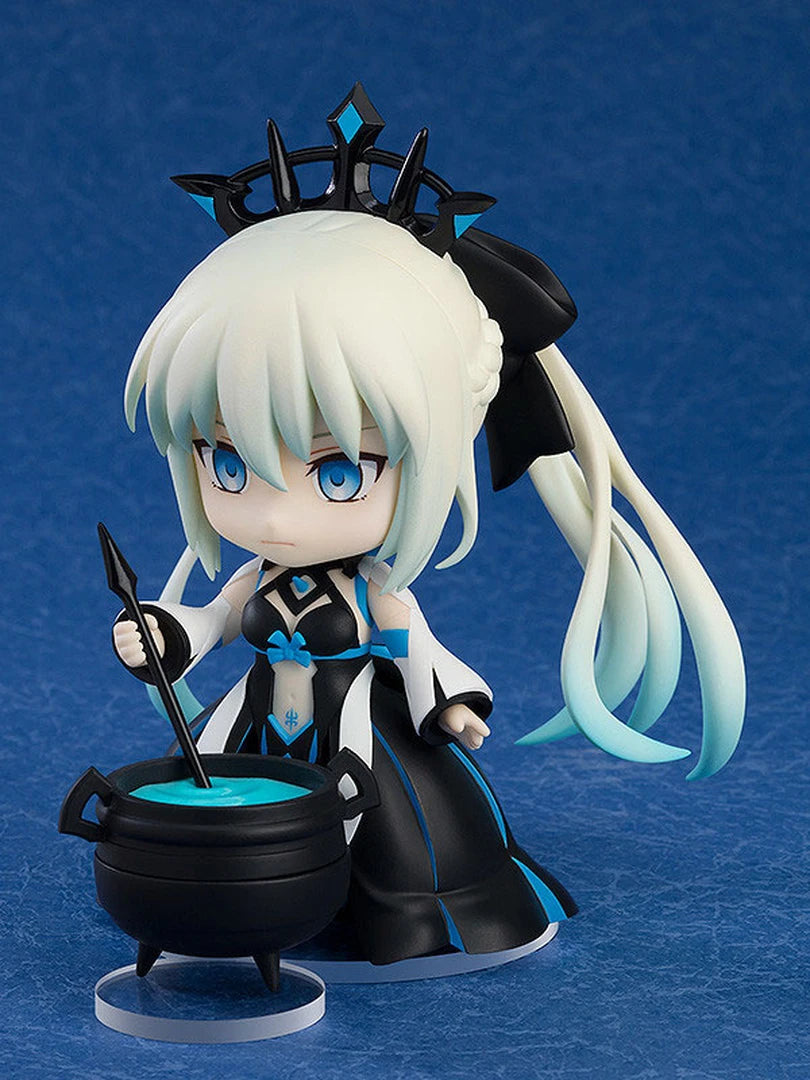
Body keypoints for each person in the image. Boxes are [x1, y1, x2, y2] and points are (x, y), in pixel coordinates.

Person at [112, 86, 744, 968]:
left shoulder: (377, 593)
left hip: (364, 738)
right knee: (236, 838)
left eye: (339, 472)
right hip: (257, 739)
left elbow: (415, 648)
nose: (275, 512)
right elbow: (214, 621)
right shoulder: (256, 578)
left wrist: (444, 701)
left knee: (400, 846)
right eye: (227, 463)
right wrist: (164, 633)